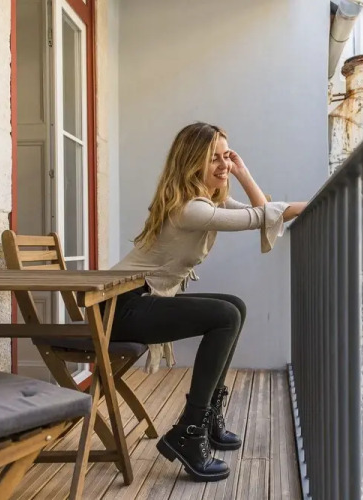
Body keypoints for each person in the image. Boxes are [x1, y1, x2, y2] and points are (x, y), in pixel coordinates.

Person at [109, 122, 306, 482]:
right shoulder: (190, 209)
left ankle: (208, 417)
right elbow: (261, 217)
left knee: (234, 307)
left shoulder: (207, 201)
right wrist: (308, 205)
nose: (223, 164)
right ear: (191, 161)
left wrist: (242, 172)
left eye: (226, 156)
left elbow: (262, 212)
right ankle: (190, 430)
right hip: (121, 308)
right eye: (213, 158)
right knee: (225, 315)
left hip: (139, 300)